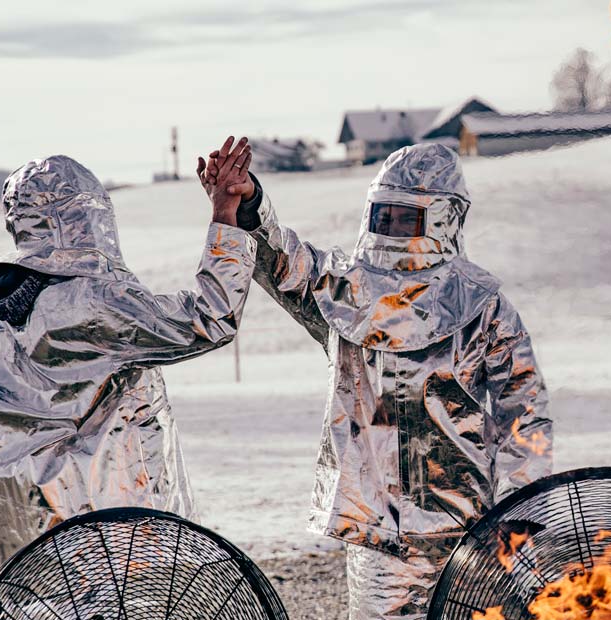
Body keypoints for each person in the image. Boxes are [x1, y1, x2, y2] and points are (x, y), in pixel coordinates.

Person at [208, 143, 552, 619]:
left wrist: (518, 513)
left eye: (404, 218)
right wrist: (248, 205)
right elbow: (282, 262)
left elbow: (525, 414)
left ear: (442, 219)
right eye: (383, 216)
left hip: (469, 527)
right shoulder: (344, 291)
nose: (390, 228)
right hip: (378, 536)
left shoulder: (485, 307)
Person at [0, 139, 259, 588]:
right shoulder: (91, 302)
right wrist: (225, 216)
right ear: (87, 220)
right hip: (106, 544)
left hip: (17, 553)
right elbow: (210, 318)